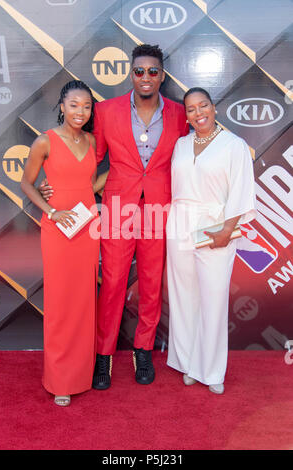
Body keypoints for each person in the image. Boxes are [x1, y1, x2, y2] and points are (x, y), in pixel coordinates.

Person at [91, 44, 188, 389]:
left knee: (150, 284)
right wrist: (59, 185)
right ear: (130, 74)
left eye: (152, 71)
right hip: (118, 207)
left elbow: (190, 161)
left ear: (161, 75)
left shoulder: (179, 114)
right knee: (114, 282)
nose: (145, 77)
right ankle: (103, 356)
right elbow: (92, 159)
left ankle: (143, 350)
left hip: (160, 209)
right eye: (138, 71)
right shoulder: (105, 111)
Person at [166, 87, 257, 394]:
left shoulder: (234, 145)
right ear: (186, 115)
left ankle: (212, 369)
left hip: (215, 227)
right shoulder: (180, 145)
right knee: (183, 298)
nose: (198, 113)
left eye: (202, 105)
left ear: (214, 107)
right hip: (179, 224)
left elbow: (242, 190)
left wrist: (226, 230)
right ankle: (190, 363)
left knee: (213, 300)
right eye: (190, 109)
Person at [21, 80, 100, 406]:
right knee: (59, 303)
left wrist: (121, 174)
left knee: (83, 302)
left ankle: (82, 373)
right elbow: (26, 183)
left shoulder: (92, 140)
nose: (80, 112)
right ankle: (60, 380)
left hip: (87, 228)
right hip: (57, 230)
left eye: (86, 106)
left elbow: (88, 183)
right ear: (62, 107)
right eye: (74, 105)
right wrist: (51, 210)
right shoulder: (45, 142)